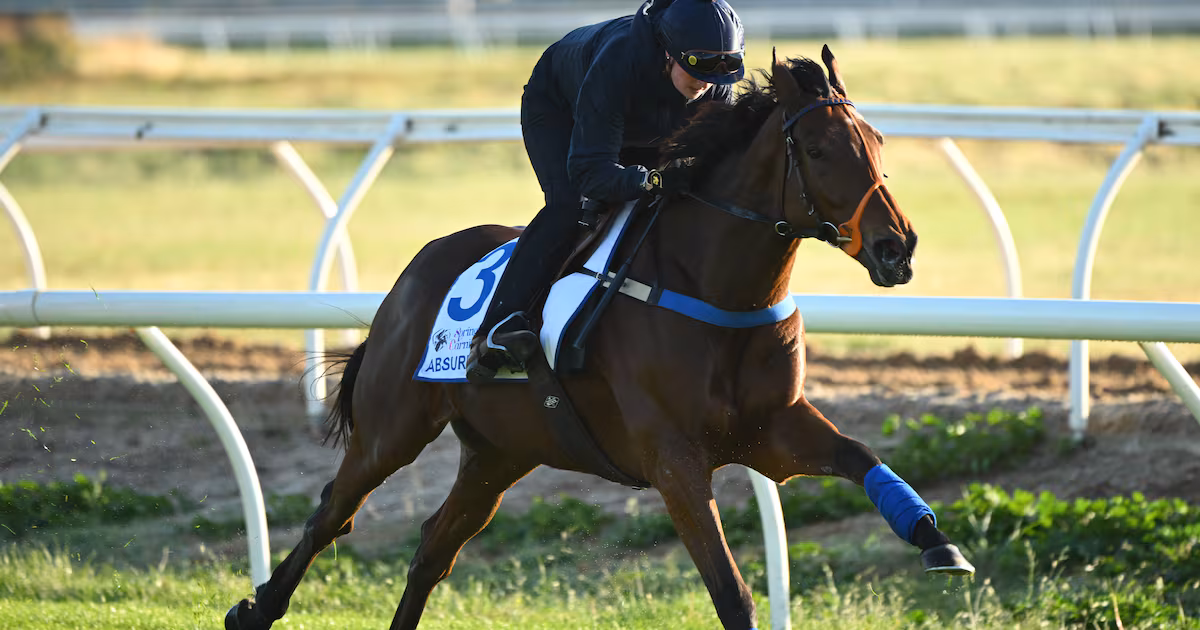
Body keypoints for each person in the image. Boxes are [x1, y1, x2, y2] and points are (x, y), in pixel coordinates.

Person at [465, 0, 746, 383]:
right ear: (667, 51)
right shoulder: (619, 63)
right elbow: (590, 172)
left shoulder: (713, 86)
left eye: (726, 67)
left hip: (639, 118)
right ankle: (496, 329)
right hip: (561, 105)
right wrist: (647, 180)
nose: (711, 81)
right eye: (700, 65)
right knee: (572, 205)